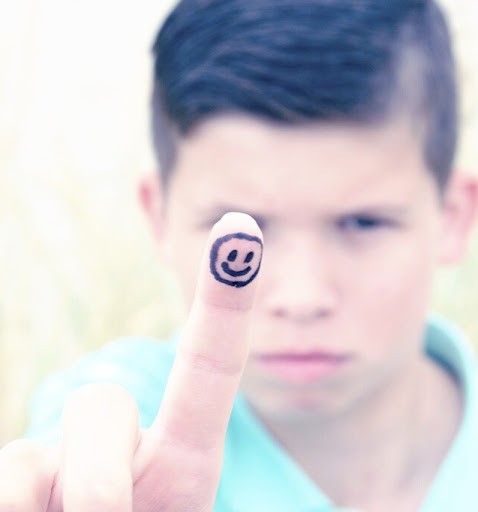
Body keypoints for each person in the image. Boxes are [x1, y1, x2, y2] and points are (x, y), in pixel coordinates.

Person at [1, 0, 477, 510]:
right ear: (159, 217)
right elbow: (80, 448)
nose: (301, 298)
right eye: (237, 231)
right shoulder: (130, 435)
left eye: (364, 223)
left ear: (453, 217)